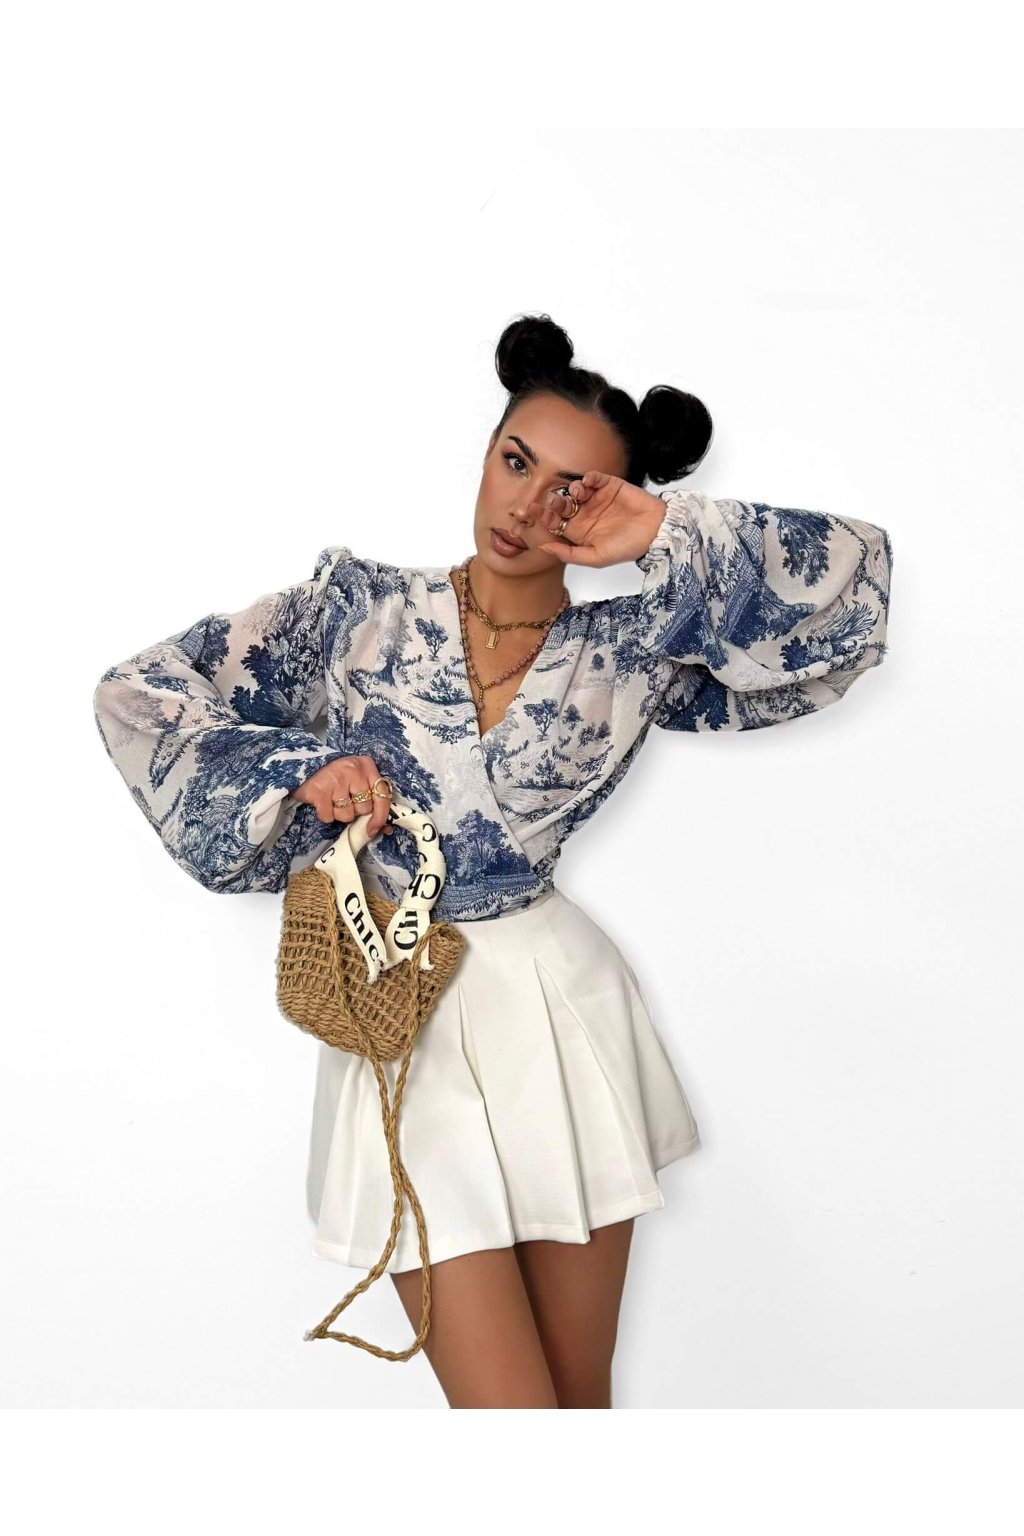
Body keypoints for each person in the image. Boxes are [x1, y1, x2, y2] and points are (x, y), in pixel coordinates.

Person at [92, 312, 894, 1409]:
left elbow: (848, 612)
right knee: (510, 1418)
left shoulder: (637, 650)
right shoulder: (354, 613)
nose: (527, 506)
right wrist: (302, 769)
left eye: (572, 490)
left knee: (574, 1403)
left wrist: (661, 532)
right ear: (484, 452)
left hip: (558, 1013)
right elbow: (138, 694)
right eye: (516, 462)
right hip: (402, 1010)